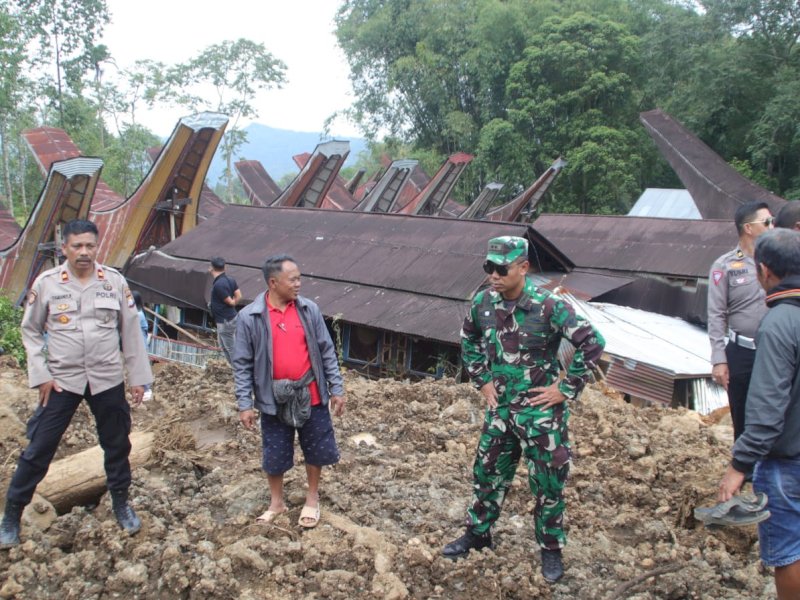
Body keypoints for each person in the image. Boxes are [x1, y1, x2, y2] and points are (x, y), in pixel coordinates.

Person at [442, 236, 605, 583]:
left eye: (501, 269)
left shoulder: (549, 306)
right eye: (489, 268)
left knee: (548, 484)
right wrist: (481, 379)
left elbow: (592, 343)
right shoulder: (483, 302)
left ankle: (550, 548)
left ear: (523, 268)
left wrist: (565, 388)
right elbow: (468, 338)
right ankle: (478, 533)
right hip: (500, 410)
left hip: (539, 414)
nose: (493, 276)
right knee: (486, 475)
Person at [0, 219, 153, 549]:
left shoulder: (113, 282)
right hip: (61, 381)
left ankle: (121, 504)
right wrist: (40, 374)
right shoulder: (47, 284)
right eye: (77, 246)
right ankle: (12, 514)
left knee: (117, 445)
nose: (84, 252)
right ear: (64, 248)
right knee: (39, 447)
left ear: (97, 247)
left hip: (107, 377)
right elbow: (30, 330)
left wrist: (139, 377)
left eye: (90, 246)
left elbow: (130, 332)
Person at [233, 254, 345, 529]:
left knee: (316, 448)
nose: (298, 284)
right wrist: (245, 403)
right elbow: (242, 363)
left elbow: (326, 350)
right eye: (292, 279)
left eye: (299, 278)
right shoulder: (251, 317)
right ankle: (276, 503)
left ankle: (312, 497)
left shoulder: (309, 310)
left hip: (311, 392)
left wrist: (336, 388)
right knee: (275, 451)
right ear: (273, 283)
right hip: (274, 398)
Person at [718, 228, 800, 600]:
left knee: (790, 553)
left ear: (764, 271)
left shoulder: (781, 322)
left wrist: (740, 464)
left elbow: (767, 410)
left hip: (788, 461)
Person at [707, 200, 774, 441]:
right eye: (766, 222)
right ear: (748, 228)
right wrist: (719, 359)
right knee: (742, 415)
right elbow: (716, 313)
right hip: (742, 351)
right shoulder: (724, 266)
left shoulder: (778, 262)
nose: (772, 226)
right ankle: (745, 471)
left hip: (774, 349)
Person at [208, 257, 241, 365]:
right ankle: (235, 370)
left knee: (231, 349)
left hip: (225, 321)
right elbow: (239, 296)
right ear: (225, 267)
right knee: (224, 347)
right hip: (227, 319)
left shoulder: (219, 285)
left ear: (211, 268)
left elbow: (230, 302)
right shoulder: (230, 280)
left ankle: (239, 373)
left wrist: (233, 303)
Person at [132, 291, 153, 402]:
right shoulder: (140, 313)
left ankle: (147, 391)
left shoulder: (137, 315)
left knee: (142, 368)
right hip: (141, 346)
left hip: (140, 346)